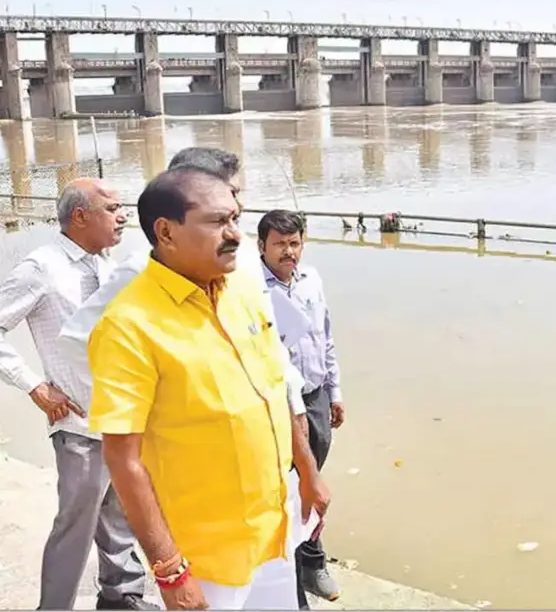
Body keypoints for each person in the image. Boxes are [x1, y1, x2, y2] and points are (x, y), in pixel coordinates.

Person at [87, 166, 319, 610]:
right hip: (206, 557)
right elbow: (123, 458)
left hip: (273, 532)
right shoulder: (129, 326)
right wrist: (170, 568)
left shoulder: (241, 290)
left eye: (235, 219)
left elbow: (272, 389)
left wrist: (308, 472)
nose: (235, 234)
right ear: (166, 232)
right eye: (217, 222)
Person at [0, 179, 154, 610]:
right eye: (113, 208)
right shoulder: (41, 267)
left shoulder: (109, 265)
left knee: (121, 518)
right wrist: (34, 386)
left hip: (121, 421)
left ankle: (121, 597)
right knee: (76, 526)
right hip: (79, 425)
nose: (122, 215)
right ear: (80, 216)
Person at [257, 209, 345, 606]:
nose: (288, 252)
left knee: (313, 485)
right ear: (261, 246)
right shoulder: (250, 289)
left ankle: (312, 562)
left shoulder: (311, 280)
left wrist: (334, 390)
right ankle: (290, 586)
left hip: (315, 398)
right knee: (287, 494)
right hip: (277, 410)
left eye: (295, 244)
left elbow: (324, 337)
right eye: (280, 244)